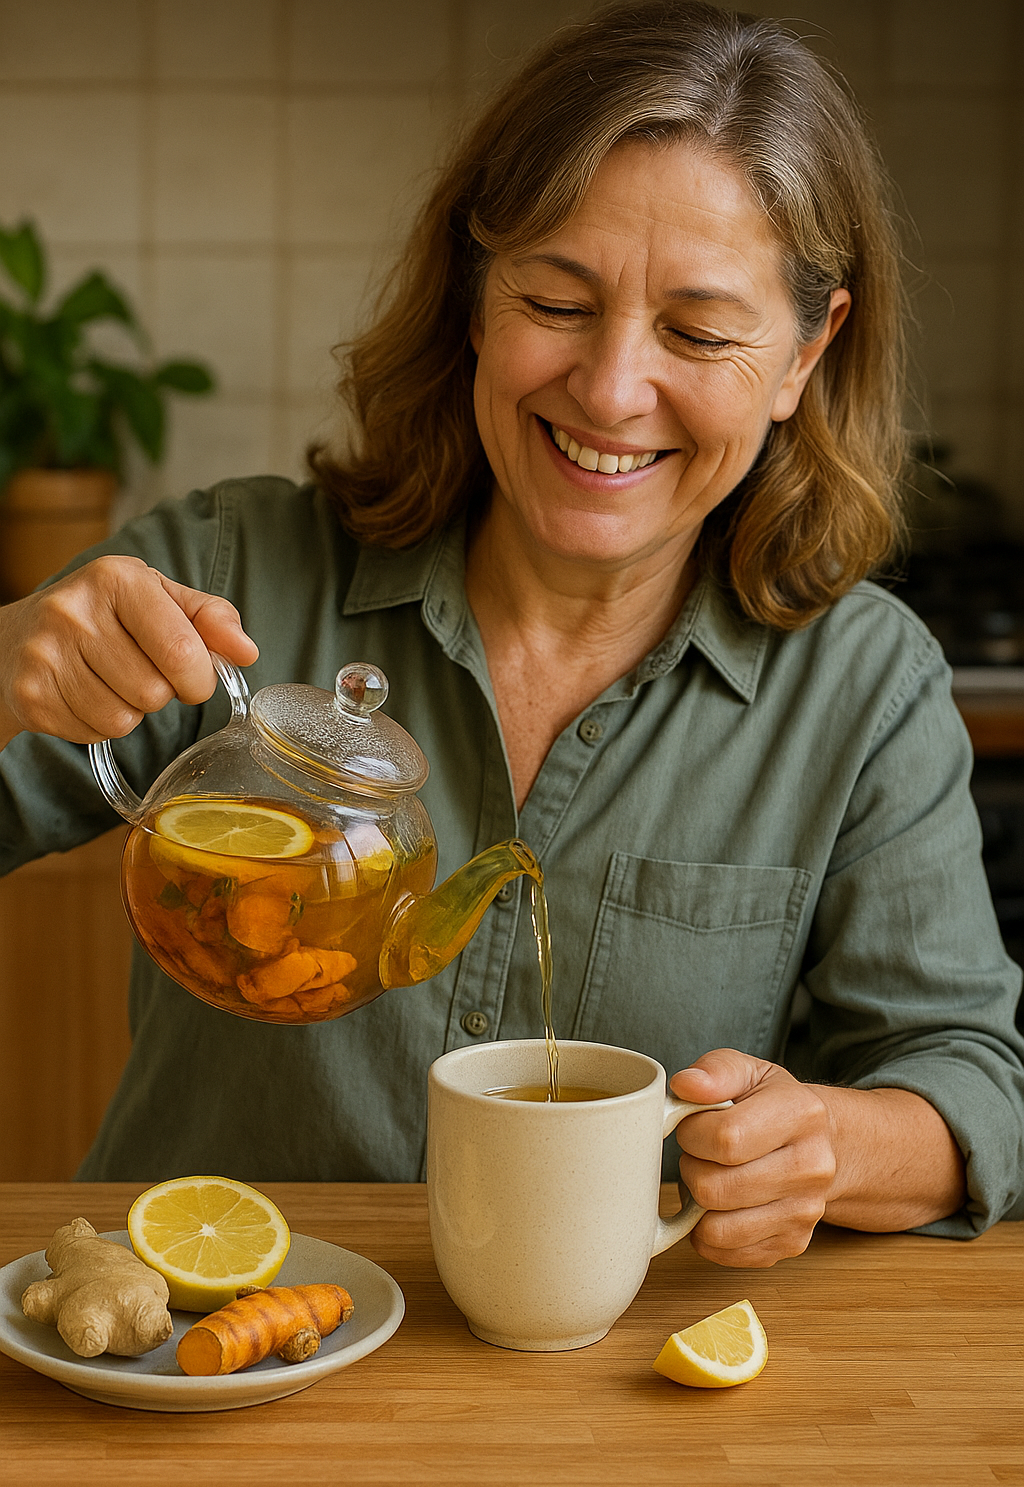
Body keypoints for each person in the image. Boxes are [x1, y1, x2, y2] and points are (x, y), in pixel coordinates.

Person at [1, 0, 1021, 1267]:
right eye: (556, 298)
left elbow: (965, 1080)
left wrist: (828, 1142)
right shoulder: (229, 577)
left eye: (697, 333)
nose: (608, 390)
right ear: (475, 291)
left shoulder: (865, 691)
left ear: (805, 354)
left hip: (600, 1411)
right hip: (189, 1363)